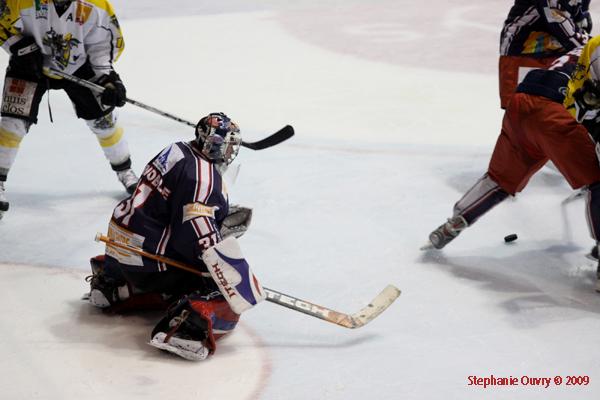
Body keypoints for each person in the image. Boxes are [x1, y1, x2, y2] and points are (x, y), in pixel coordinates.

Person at [426, 35, 600, 292]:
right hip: (556, 112)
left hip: (522, 102)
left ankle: (454, 223)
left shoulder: (589, 46)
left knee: (500, 178)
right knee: (597, 182)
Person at [85, 112, 265, 361]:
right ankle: (188, 329)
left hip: (119, 246)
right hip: (148, 265)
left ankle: (114, 284)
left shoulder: (176, 150)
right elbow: (196, 236)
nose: (230, 151)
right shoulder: (204, 177)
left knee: (160, 252)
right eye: (227, 145)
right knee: (224, 291)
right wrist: (227, 272)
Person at [0, 0, 138, 220]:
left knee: (104, 122)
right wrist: (18, 46)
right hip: (28, 63)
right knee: (12, 123)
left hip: (79, 65)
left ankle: (125, 172)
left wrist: (108, 79)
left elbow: (101, 47)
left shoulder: (97, 6)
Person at [499, 0, 592, 109]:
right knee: (523, 111)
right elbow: (558, 21)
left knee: (562, 111)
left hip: (560, 52)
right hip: (526, 53)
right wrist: (593, 47)